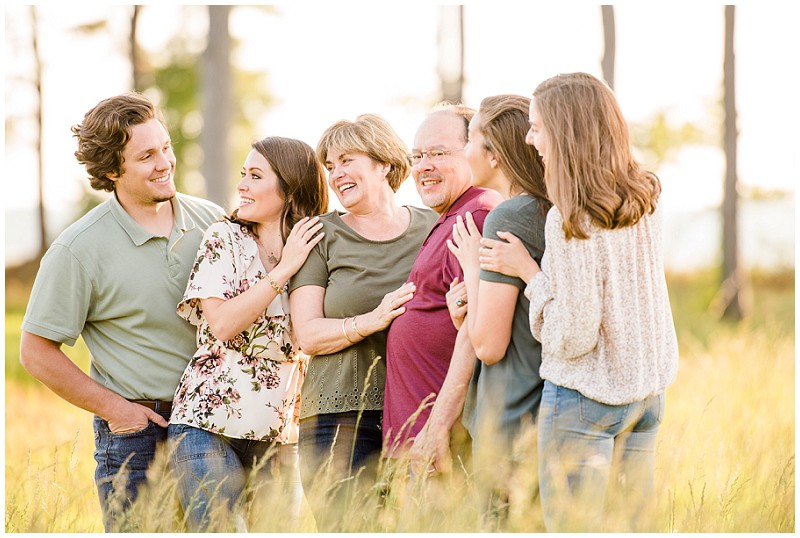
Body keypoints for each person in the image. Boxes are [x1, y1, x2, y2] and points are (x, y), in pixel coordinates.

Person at [478, 72, 679, 532]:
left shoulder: (570, 219)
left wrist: (530, 273)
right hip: (647, 393)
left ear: (566, 131)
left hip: (585, 399)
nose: (530, 140)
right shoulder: (646, 194)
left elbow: (572, 336)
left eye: (537, 127)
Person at [19, 92, 225, 531]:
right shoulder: (78, 249)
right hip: (137, 435)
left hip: (219, 425)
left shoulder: (213, 222)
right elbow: (36, 351)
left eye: (165, 147)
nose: (165, 162)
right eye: (147, 155)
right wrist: (117, 409)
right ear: (112, 170)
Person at [167, 136, 329, 532]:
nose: (242, 185)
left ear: (290, 187)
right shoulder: (225, 239)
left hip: (282, 431)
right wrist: (283, 271)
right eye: (243, 174)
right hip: (207, 424)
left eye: (255, 176)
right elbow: (221, 324)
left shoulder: (320, 246)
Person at [288, 114, 438, 531]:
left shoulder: (432, 227)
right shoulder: (321, 235)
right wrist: (373, 320)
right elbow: (308, 334)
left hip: (419, 412)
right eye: (329, 166)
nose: (335, 174)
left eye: (346, 160)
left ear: (384, 164)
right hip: (338, 420)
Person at [446, 94, 551, 529]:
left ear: (494, 154)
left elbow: (489, 345)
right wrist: (466, 313)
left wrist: (472, 266)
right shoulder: (549, 210)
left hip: (508, 416)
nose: (465, 151)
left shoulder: (509, 216)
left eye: (470, 140)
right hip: (544, 412)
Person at [382, 104, 502, 476]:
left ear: (474, 152)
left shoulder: (476, 216)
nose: (423, 166)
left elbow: (473, 332)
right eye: (418, 156)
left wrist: (436, 428)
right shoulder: (452, 216)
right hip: (419, 442)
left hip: (440, 445)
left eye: (437, 153)